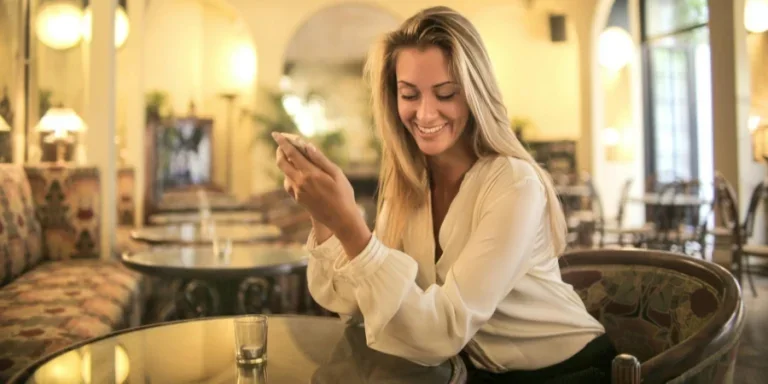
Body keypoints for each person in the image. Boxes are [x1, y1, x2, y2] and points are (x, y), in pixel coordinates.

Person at [273, 6, 616, 383]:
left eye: (445, 93)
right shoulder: (409, 185)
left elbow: (441, 332)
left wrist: (351, 224)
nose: (425, 112)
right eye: (409, 94)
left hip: (567, 372)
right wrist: (323, 217)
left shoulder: (514, 186)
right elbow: (359, 305)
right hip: (464, 369)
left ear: (474, 94)